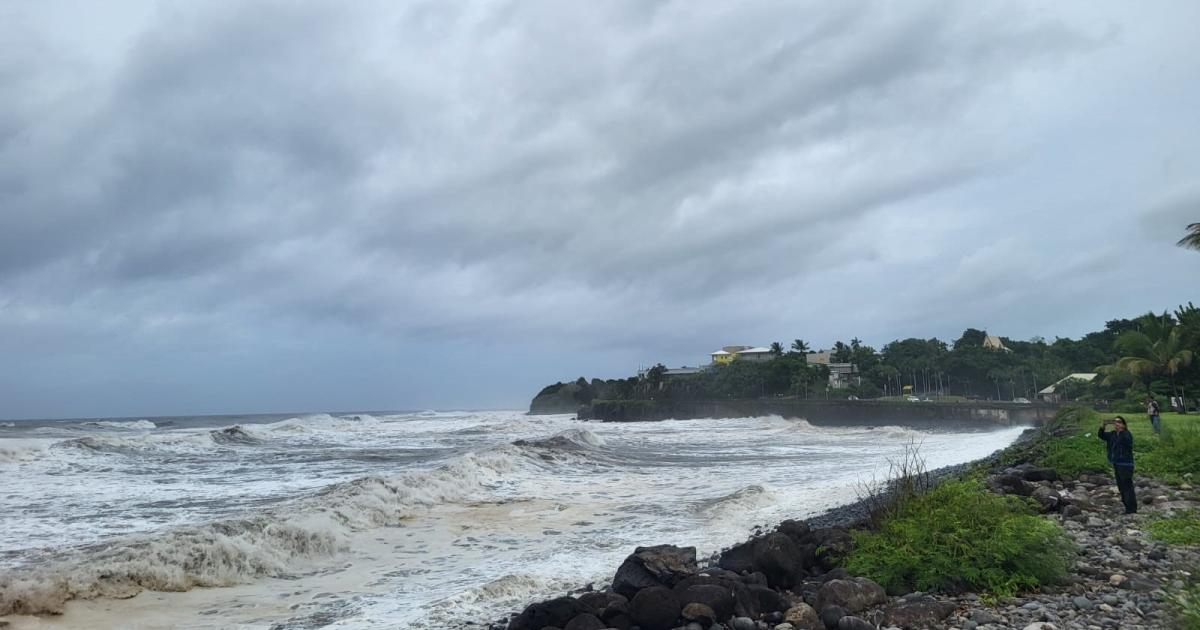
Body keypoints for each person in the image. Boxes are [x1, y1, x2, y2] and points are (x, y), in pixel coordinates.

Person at [1098, 416, 1137, 514]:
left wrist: (1120, 431)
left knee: (1127, 485)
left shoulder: (1126, 434)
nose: (1116, 424)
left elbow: (1126, 442)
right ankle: (1126, 505)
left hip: (1126, 464)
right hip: (1116, 463)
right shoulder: (1112, 434)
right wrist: (1103, 426)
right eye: (1115, 422)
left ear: (1123, 424)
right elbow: (1101, 435)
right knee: (1121, 486)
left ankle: (1131, 508)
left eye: (1119, 422)